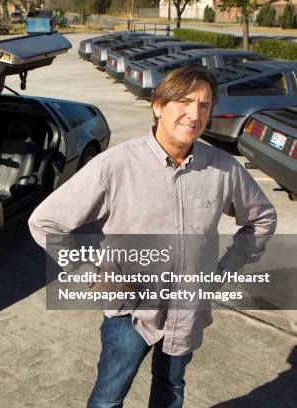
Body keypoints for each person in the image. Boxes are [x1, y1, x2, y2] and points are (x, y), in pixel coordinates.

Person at [28, 66, 277, 408]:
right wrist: (90, 275)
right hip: (130, 314)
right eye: (185, 101)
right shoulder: (115, 165)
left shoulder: (223, 168)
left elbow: (262, 218)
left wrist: (223, 272)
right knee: (108, 398)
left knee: (171, 391)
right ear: (159, 105)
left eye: (204, 105)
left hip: (186, 312)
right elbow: (45, 222)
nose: (195, 114)